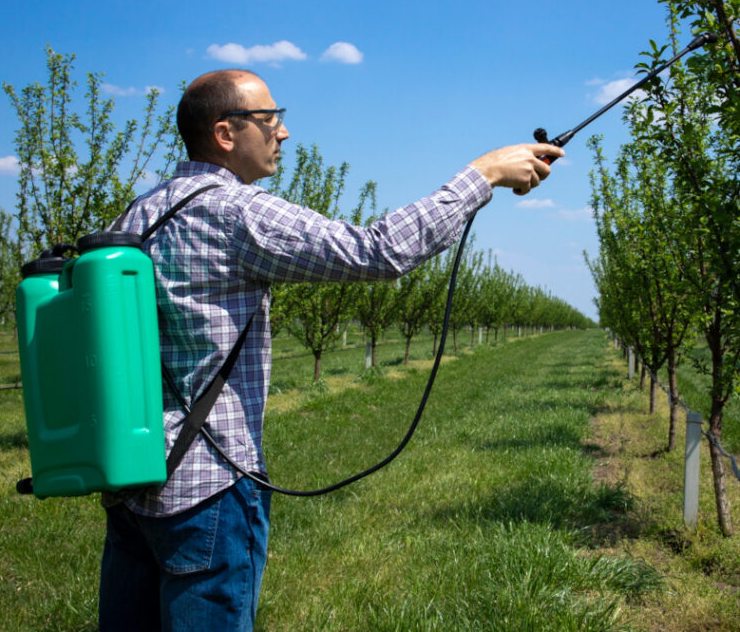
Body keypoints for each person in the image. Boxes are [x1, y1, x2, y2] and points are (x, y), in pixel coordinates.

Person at [97, 69, 561, 631]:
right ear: (225, 132)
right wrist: (481, 175)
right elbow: (377, 251)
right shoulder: (235, 212)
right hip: (208, 489)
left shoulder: (136, 216)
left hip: (134, 479)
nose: (283, 133)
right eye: (271, 119)